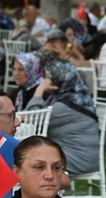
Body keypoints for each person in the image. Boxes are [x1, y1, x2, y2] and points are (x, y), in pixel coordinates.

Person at [26, 32, 99, 176]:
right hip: (71, 153)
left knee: (26, 164)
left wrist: (39, 90)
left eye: (47, 76)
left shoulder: (66, 105)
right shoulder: (73, 96)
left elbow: (33, 122)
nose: (44, 79)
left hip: (78, 159)